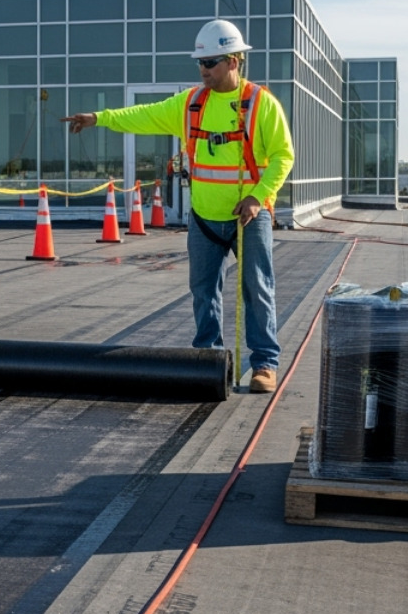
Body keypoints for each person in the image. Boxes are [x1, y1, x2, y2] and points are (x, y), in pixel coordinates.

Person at [61, 20, 294, 393]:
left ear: (234, 61)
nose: (203, 70)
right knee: (203, 291)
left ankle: (264, 364)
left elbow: (284, 156)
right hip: (203, 218)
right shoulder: (190, 104)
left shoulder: (261, 104)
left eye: (211, 62)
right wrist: (99, 118)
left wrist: (256, 196)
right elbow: (144, 115)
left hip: (249, 217)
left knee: (257, 289)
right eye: (200, 63)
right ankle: (207, 358)